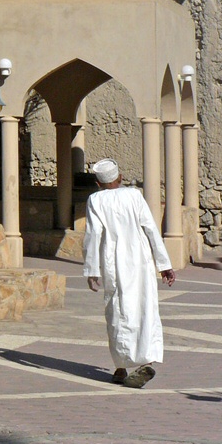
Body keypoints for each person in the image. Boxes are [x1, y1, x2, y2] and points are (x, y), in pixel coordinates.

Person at [83, 158, 176, 388]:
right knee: (144, 308)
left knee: (117, 312)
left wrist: (92, 269)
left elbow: (93, 235)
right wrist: (164, 264)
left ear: (97, 183)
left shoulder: (95, 200)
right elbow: (151, 229)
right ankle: (145, 361)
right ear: (120, 178)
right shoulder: (134, 195)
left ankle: (122, 366)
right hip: (141, 261)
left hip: (114, 262)